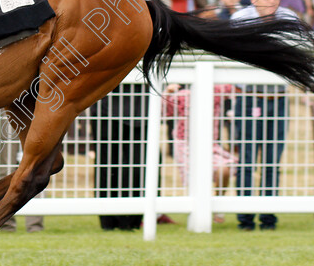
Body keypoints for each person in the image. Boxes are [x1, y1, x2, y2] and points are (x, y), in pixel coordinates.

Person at [230, 0, 297, 231]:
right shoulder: (240, 19)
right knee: (246, 159)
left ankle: (268, 218)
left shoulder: (288, 17)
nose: (270, 2)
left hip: (278, 99)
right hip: (248, 99)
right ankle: (245, 218)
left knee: (272, 160)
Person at [164, 83, 238, 223]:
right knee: (194, 178)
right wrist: (167, 92)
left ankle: (218, 205)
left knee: (224, 170)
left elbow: (234, 87)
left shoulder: (216, 90)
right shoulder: (182, 95)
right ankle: (196, 214)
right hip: (185, 144)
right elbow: (163, 112)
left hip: (210, 145)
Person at [89, 85, 150, 231]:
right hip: (105, 107)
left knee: (137, 166)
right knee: (107, 166)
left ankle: (130, 219)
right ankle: (107, 219)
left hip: (140, 108)